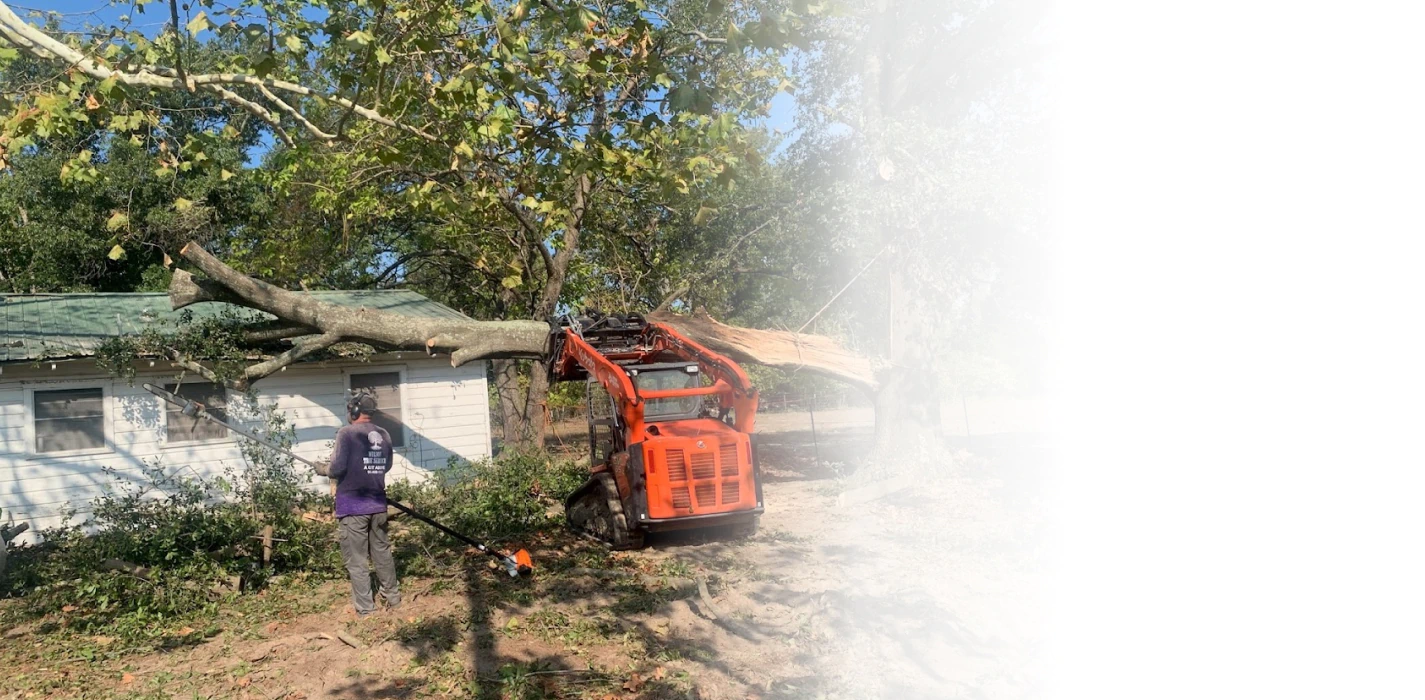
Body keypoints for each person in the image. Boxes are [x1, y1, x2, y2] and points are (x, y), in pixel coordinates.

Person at [327, 392, 400, 616]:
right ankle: (393, 599)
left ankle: (366, 610)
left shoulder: (346, 433)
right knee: (382, 553)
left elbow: (337, 468)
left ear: (355, 411)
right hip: (378, 505)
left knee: (357, 560)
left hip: (352, 508)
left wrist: (324, 469)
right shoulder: (384, 434)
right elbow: (385, 466)